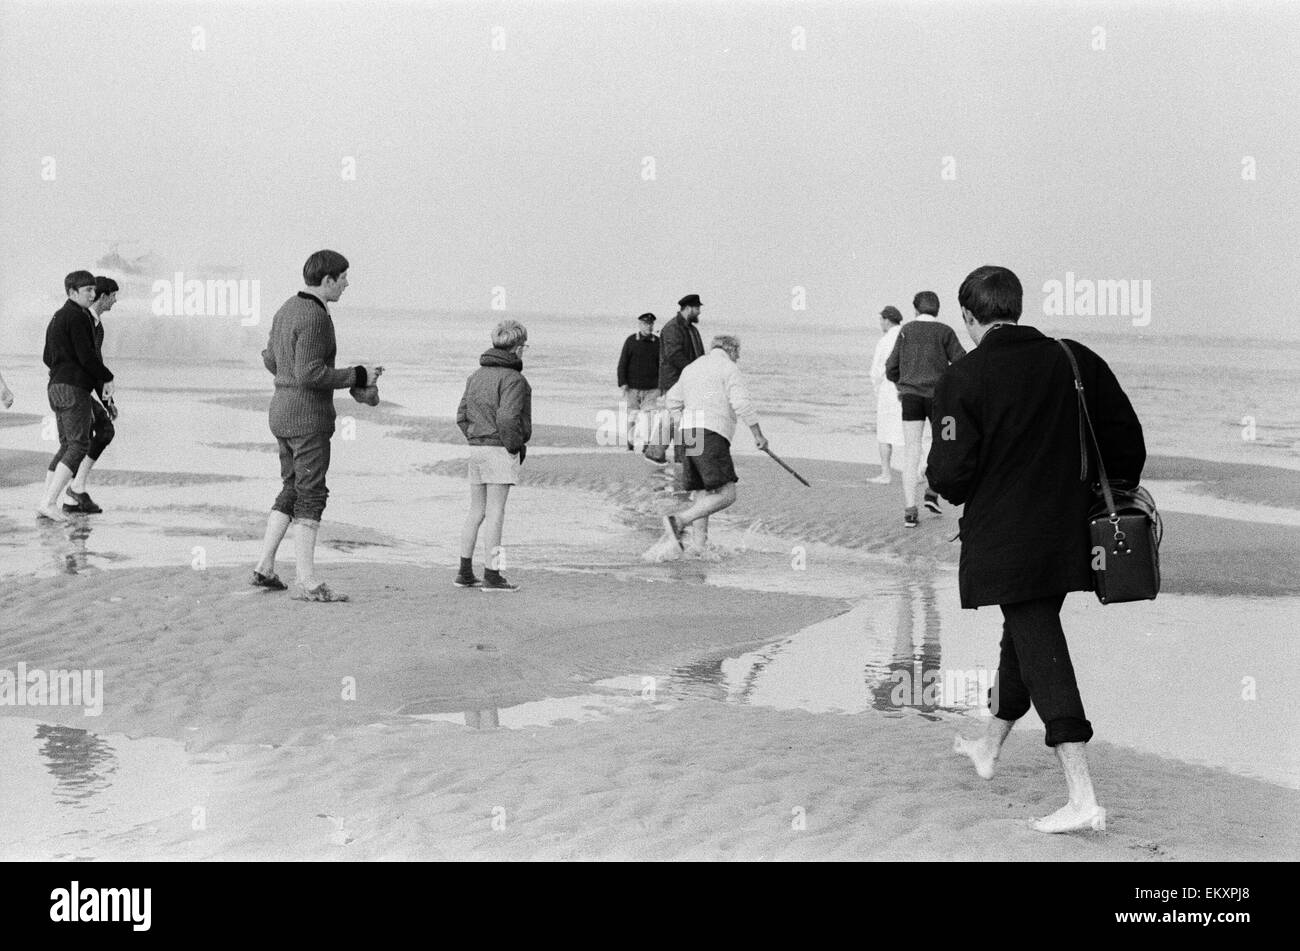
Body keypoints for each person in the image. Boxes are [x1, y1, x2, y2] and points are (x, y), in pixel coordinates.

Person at [929, 265, 1145, 834]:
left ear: (970, 318)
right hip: (1069, 533)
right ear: (1016, 307)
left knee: (1040, 644)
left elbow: (949, 476)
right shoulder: (1075, 358)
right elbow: (1127, 440)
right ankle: (989, 746)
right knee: (1024, 631)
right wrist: (1103, 498)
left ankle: (1082, 796)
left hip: (1005, 538)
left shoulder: (964, 377)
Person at [251, 250, 381, 602]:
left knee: (292, 487)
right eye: (343, 278)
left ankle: (265, 566)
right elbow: (310, 373)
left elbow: (270, 359)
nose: (347, 284)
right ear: (327, 280)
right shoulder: (316, 317)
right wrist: (358, 375)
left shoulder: (286, 308)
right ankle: (307, 580)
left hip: (280, 412)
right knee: (312, 494)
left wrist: (291, 379)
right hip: (307, 418)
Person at [661, 334, 767, 554]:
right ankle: (679, 521)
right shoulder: (729, 369)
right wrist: (758, 435)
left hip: (689, 432)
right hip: (712, 433)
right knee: (727, 494)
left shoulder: (692, 367)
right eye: (738, 353)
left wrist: (683, 423)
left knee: (703, 492)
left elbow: (672, 399)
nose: (738, 358)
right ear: (731, 350)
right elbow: (742, 403)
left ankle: (699, 546)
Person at [455, 319, 532, 591]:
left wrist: (475, 437)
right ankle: (493, 574)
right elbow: (509, 417)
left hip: (476, 448)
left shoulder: (475, 376)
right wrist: (514, 445)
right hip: (499, 448)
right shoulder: (514, 379)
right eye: (524, 346)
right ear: (518, 348)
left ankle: (464, 572)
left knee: (476, 511)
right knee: (496, 512)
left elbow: (462, 416)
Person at [36, 271, 115, 523]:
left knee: (68, 445)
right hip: (73, 387)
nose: (92, 295)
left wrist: (63, 369)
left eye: (94, 290)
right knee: (78, 445)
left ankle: (48, 501)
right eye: (87, 291)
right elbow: (87, 357)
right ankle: (49, 502)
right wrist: (108, 376)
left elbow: (47, 357)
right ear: (72, 293)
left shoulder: (59, 315)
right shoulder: (78, 317)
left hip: (56, 386)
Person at [885, 290, 966, 526]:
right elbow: (962, 363)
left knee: (911, 451)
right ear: (937, 309)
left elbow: (891, 367)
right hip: (939, 400)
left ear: (915, 309)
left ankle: (910, 511)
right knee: (945, 442)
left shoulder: (906, 330)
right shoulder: (945, 331)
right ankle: (931, 490)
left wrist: (903, 384)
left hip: (911, 399)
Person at [58, 276, 121, 514]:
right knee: (87, 438)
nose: (115, 301)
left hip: (76, 388)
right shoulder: (82, 320)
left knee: (93, 435)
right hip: (70, 388)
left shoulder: (98, 326)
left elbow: (96, 366)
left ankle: (72, 498)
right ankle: (75, 489)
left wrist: (108, 402)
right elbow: (87, 362)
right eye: (113, 296)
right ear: (102, 297)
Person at [656, 294, 705, 482]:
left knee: (672, 420)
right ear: (688, 308)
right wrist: (695, 372)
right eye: (697, 308)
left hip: (686, 382)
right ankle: (680, 462)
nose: (699, 311)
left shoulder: (691, 330)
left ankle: (655, 454)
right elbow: (674, 355)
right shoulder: (672, 328)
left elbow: (699, 355)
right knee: (680, 423)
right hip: (675, 382)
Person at [868, 305, 905, 484]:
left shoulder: (885, 340)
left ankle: (886, 473)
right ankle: (917, 470)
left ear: (887, 320)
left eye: (881, 320)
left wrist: (877, 389)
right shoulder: (907, 335)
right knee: (909, 432)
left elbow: (876, 371)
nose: (880, 323)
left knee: (884, 433)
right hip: (908, 388)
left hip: (888, 389)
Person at [616, 312, 660, 451]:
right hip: (632, 388)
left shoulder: (658, 342)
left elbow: (663, 365)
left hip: (652, 388)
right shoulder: (631, 341)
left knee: (648, 417)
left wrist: (663, 386)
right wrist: (623, 383)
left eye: (651, 323)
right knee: (632, 416)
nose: (649, 326)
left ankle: (646, 444)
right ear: (640, 324)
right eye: (646, 323)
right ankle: (630, 442)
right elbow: (622, 363)